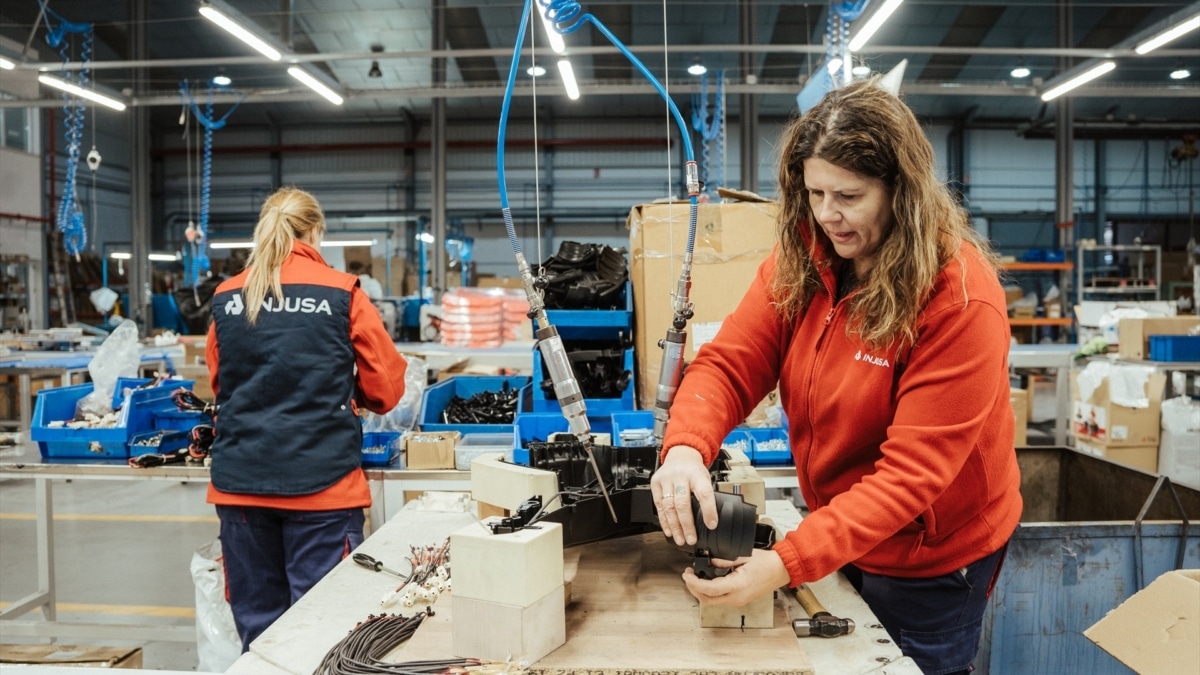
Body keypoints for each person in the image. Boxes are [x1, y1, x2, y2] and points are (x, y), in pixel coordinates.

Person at [651, 79, 1022, 675]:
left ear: (901, 192)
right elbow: (730, 362)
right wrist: (686, 449)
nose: (827, 215)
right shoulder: (809, 253)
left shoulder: (958, 299)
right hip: (841, 527)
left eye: (848, 195)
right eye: (815, 192)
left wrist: (788, 562)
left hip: (930, 561)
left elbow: (909, 478)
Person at [205, 187, 408, 651]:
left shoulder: (226, 297)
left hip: (240, 489)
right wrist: (342, 391)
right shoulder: (341, 292)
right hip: (322, 490)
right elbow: (386, 391)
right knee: (326, 633)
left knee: (260, 636)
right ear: (316, 231)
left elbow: (222, 385)